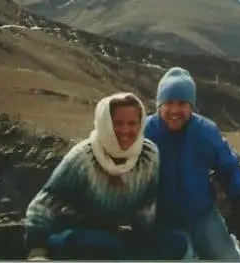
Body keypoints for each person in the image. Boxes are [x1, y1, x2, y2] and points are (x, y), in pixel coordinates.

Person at [24, 92, 193, 261]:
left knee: (177, 242)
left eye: (132, 123)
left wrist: (144, 240)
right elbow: (41, 206)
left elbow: (145, 206)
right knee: (107, 246)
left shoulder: (149, 154)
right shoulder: (83, 157)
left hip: (111, 234)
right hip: (72, 235)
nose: (125, 130)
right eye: (117, 123)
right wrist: (37, 252)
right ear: (105, 123)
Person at [144, 67, 240, 260]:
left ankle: (231, 244)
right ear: (159, 104)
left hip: (202, 215)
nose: (175, 110)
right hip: (161, 221)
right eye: (169, 102)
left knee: (229, 259)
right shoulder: (145, 133)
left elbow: (229, 167)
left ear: (192, 106)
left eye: (182, 103)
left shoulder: (206, 132)